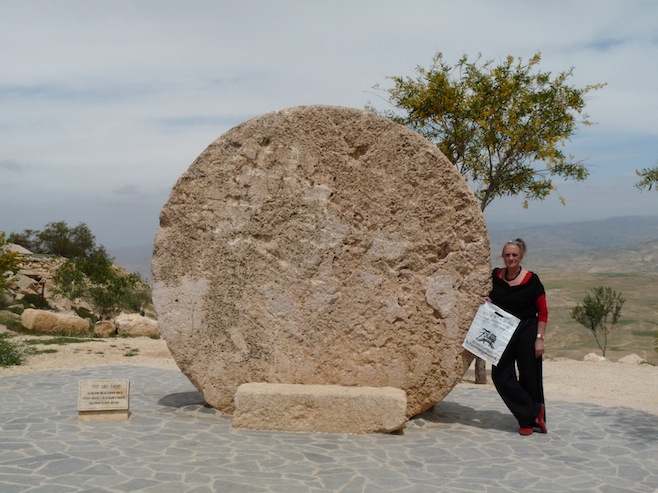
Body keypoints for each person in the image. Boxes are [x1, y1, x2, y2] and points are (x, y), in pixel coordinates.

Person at [481, 238, 548, 436]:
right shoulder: (496, 276)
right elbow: (490, 297)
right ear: (502, 256)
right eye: (507, 255)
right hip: (502, 330)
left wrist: (539, 338)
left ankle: (527, 422)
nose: (511, 258)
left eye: (514, 255)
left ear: (521, 257)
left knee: (529, 375)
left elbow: (543, 311)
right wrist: (487, 300)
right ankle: (534, 411)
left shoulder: (531, 280)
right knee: (500, 375)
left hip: (527, 329)